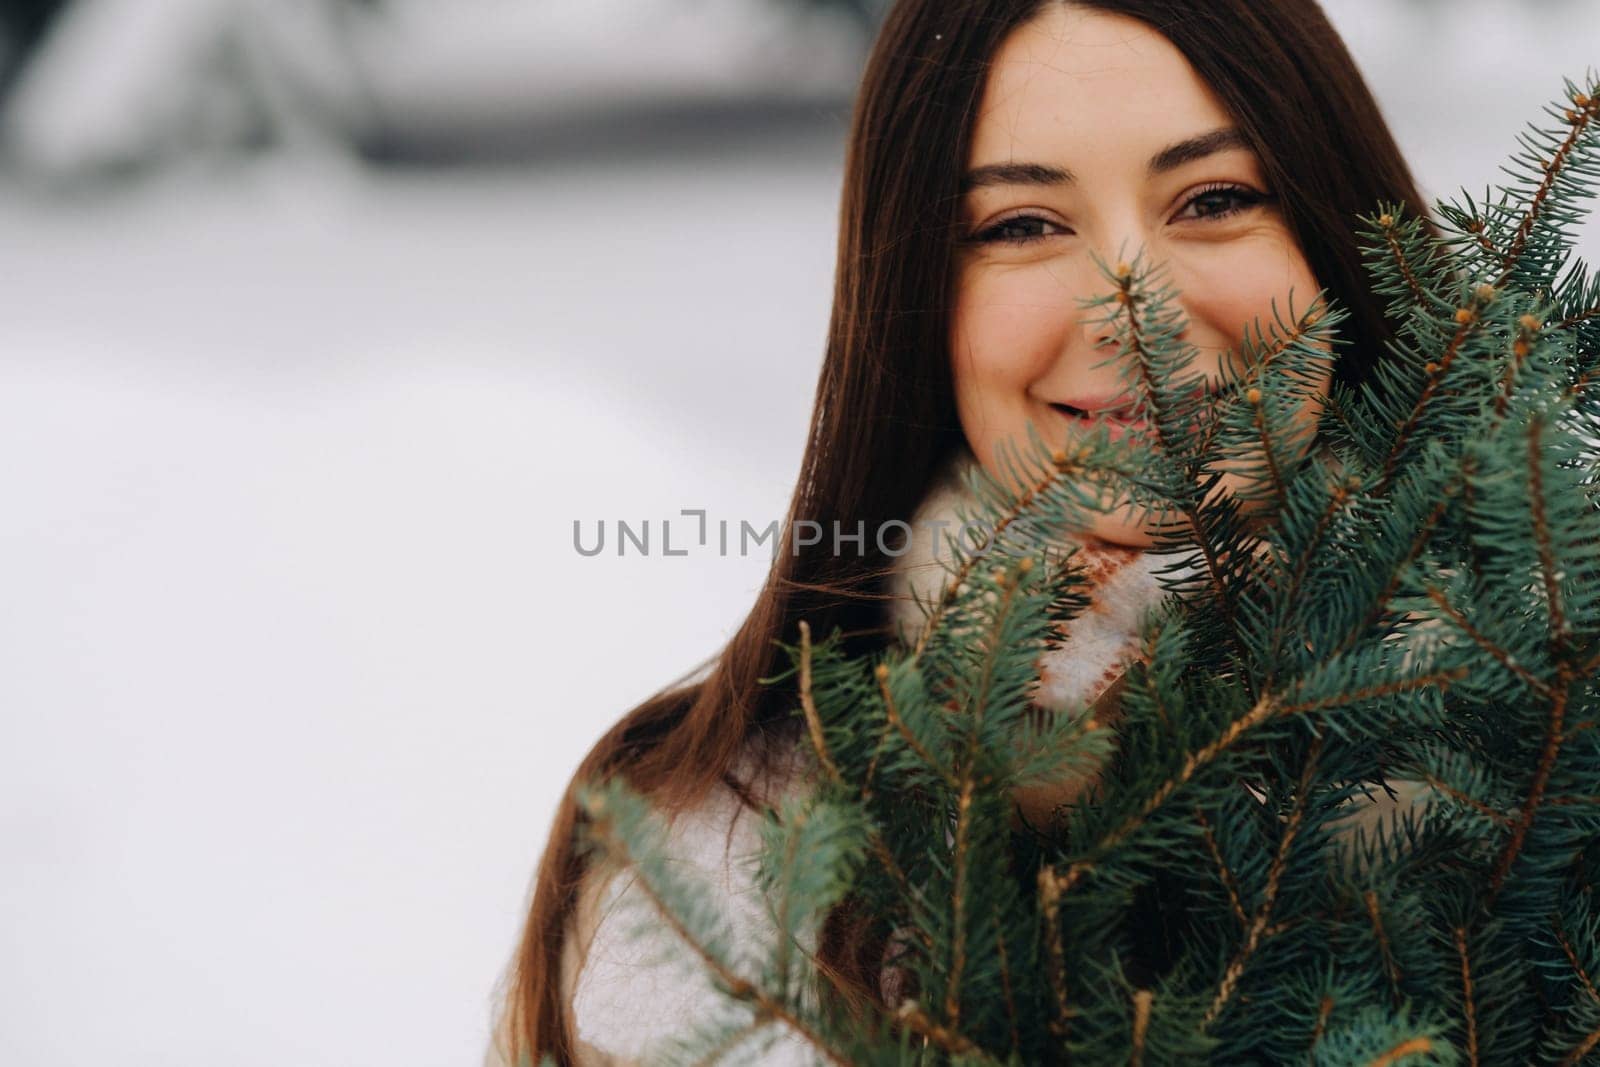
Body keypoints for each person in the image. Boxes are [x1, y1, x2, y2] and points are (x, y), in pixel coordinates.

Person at [486, 1, 1442, 1063]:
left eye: (1214, 198)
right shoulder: (717, 840)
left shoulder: (1559, 724)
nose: (1134, 308)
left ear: (1339, 235)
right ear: (915, 297)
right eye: (1022, 224)